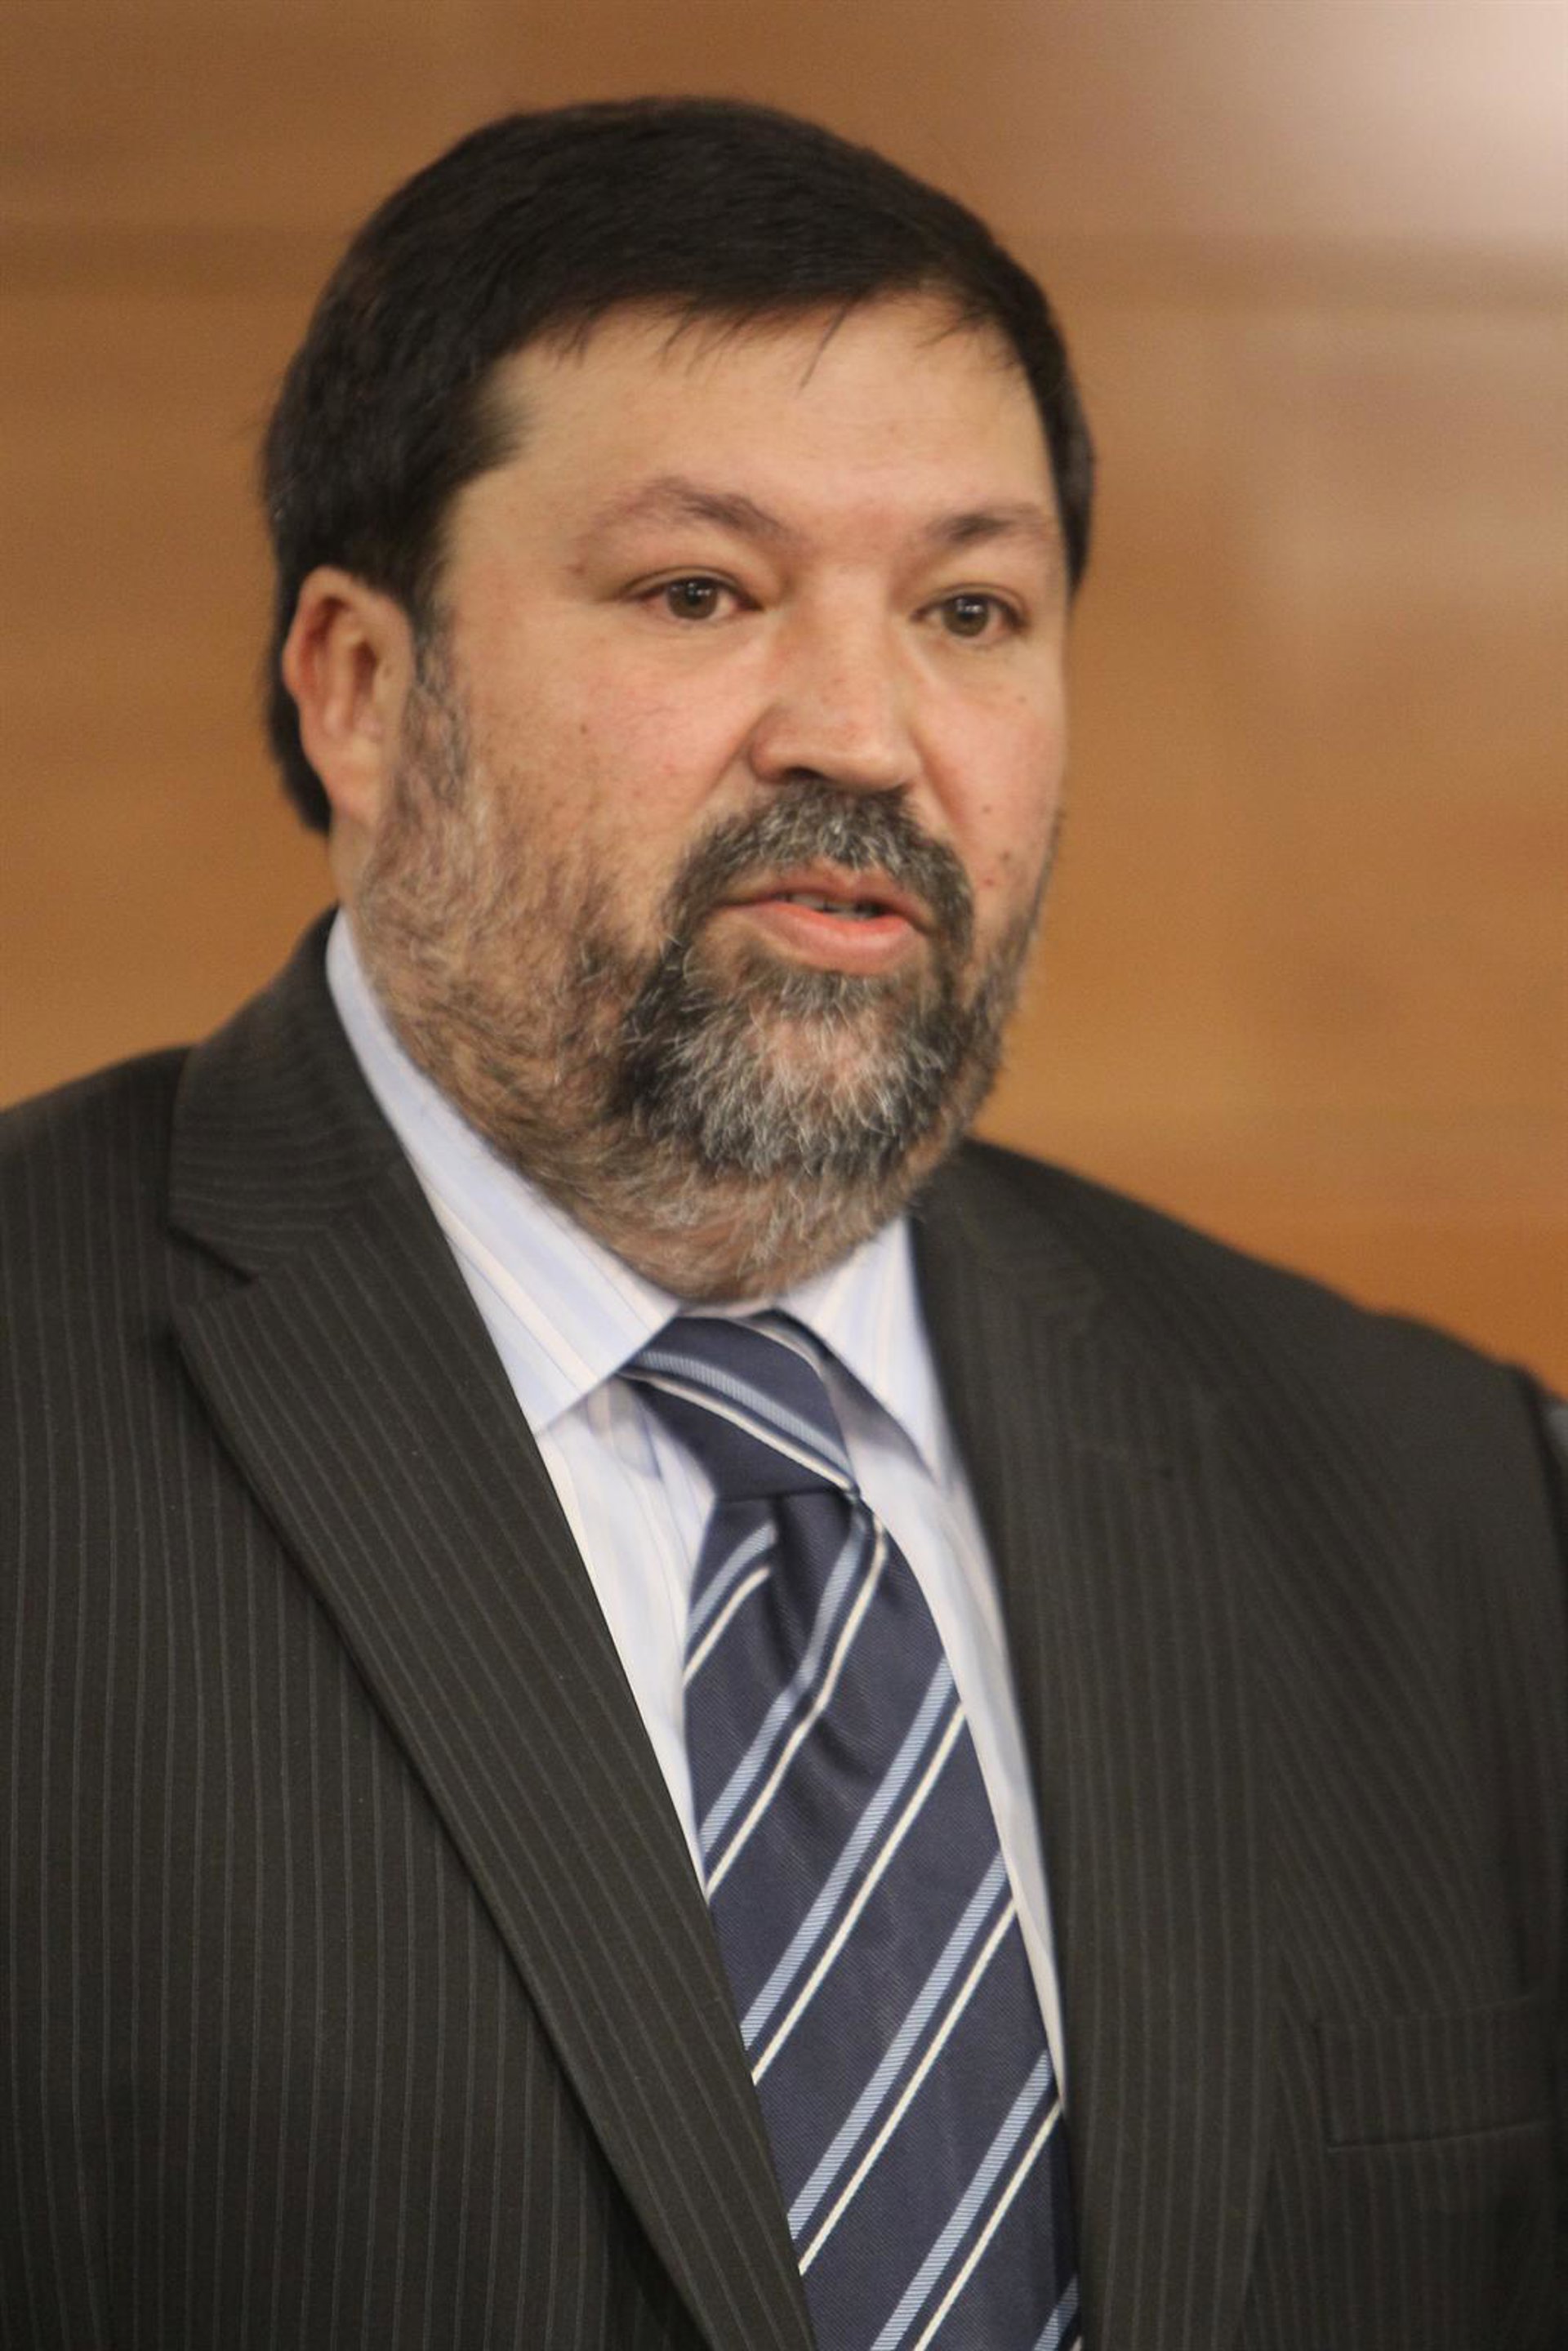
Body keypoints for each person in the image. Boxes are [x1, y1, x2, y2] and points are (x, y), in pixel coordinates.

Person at [2, 97, 1562, 2351]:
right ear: (360, 689)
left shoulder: (1457, 1508)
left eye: (971, 610)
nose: (865, 733)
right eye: (699, 592)